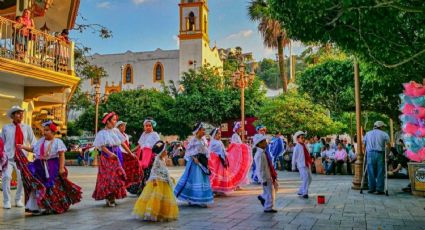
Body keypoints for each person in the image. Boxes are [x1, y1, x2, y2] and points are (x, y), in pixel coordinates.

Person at [19, 121, 82, 215]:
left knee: (52, 186)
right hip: (39, 166)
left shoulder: (58, 142)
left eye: (47, 130)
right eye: (44, 130)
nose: (44, 132)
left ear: (53, 132)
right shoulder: (41, 141)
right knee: (39, 184)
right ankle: (39, 206)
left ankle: (52, 205)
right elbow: (33, 149)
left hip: (52, 166)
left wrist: (61, 168)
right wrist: (23, 147)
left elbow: (61, 155)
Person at [92, 112, 134, 207]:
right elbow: (102, 146)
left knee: (116, 177)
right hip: (107, 157)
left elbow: (123, 143)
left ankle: (112, 197)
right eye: (114, 120)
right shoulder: (101, 133)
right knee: (108, 178)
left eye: (115, 119)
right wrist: (110, 154)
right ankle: (109, 197)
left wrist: (130, 153)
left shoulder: (116, 131)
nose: (115, 122)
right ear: (108, 121)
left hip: (117, 154)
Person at [133, 141, 179, 221]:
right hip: (157, 181)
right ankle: (153, 213)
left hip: (163, 180)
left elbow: (164, 170)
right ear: (161, 152)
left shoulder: (162, 159)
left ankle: (161, 212)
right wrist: (154, 179)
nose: (166, 152)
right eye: (165, 151)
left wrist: (169, 177)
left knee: (162, 198)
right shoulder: (157, 160)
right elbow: (153, 170)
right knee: (155, 197)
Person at [2, 105, 36, 209]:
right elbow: (1, 143)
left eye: (21, 113)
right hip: (8, 158)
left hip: (22, 158)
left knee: (22, 179)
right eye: (17, 113)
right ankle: (7, 201)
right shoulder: (6, 128)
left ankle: (18, 199)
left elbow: (34, 141)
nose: (20, 115)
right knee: (6, 177)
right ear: (12, 116)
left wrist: (35, 153)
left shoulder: (27, 128)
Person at [174, 122, 213, 207]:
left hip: (202, 161)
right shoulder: (193, 140)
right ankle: (193, 199)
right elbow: (188, 151)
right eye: (203, 130)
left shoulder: (203, 140)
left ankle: (200, 199)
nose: (204, 132)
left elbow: (206, 151)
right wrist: (193, 158)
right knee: (195, 180)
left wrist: (207, 162)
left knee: (202, 180)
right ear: (198, 131)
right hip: (194, 163)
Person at [134, 118, 161, 194]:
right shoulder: (143, 134)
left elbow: (159, 144)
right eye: (146, 125)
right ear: (144, 126)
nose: (148, 127)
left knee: (149, 172)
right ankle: (142, 189)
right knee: (141, 172)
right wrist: (130, 151)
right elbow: (139, 145)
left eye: (149, 125)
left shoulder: (155, 134)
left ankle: (149, 189)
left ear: (152, 126)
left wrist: (156, 152)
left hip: (151, 156)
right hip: (142, 155)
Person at [363, 121, 390, 195]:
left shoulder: (368, 133)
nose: (383, 128)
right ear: (380, 126)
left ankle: (371, 188)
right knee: (380, 171)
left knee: (370, 171)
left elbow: (364, 145)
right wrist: (387, 154)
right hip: (380, 154)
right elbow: (388, 145)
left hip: (370, 154)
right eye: (383, 126)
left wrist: (364, 153)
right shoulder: (384, 134)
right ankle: (379, 189)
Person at [253, 134, 278, 213]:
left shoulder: (263, 153)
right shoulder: (260, 154)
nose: (266, 143)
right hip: (265, 176)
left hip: (268, 175)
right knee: (269, 192)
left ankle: (265, 200)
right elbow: (260, 168)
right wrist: (262, 179)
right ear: (259, 144)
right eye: (264, 141)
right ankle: (268, 207)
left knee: (269, 191)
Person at [116, 121, 143, 191]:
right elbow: (122, 145)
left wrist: (131, 152)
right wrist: (130, 153)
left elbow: (127, 145)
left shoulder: (126, 135)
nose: (123, 127)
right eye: (121, 126)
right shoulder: (117, 134)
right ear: (118, 128)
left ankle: (135, 180)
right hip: (121, 152)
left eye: (124, 126)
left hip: (127, 151)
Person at [292, 131, 312, 199]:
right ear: (297, 139)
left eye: (304, 138)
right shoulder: (297, 147)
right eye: (301, 138)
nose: (303, 139)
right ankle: (305, 193)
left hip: (307, 164)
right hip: (301, 165)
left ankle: (301, 190)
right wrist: (293, 166)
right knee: (306, 178)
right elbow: (294, 157)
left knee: (310, 179)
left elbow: (308, 153)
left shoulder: (305, 145)